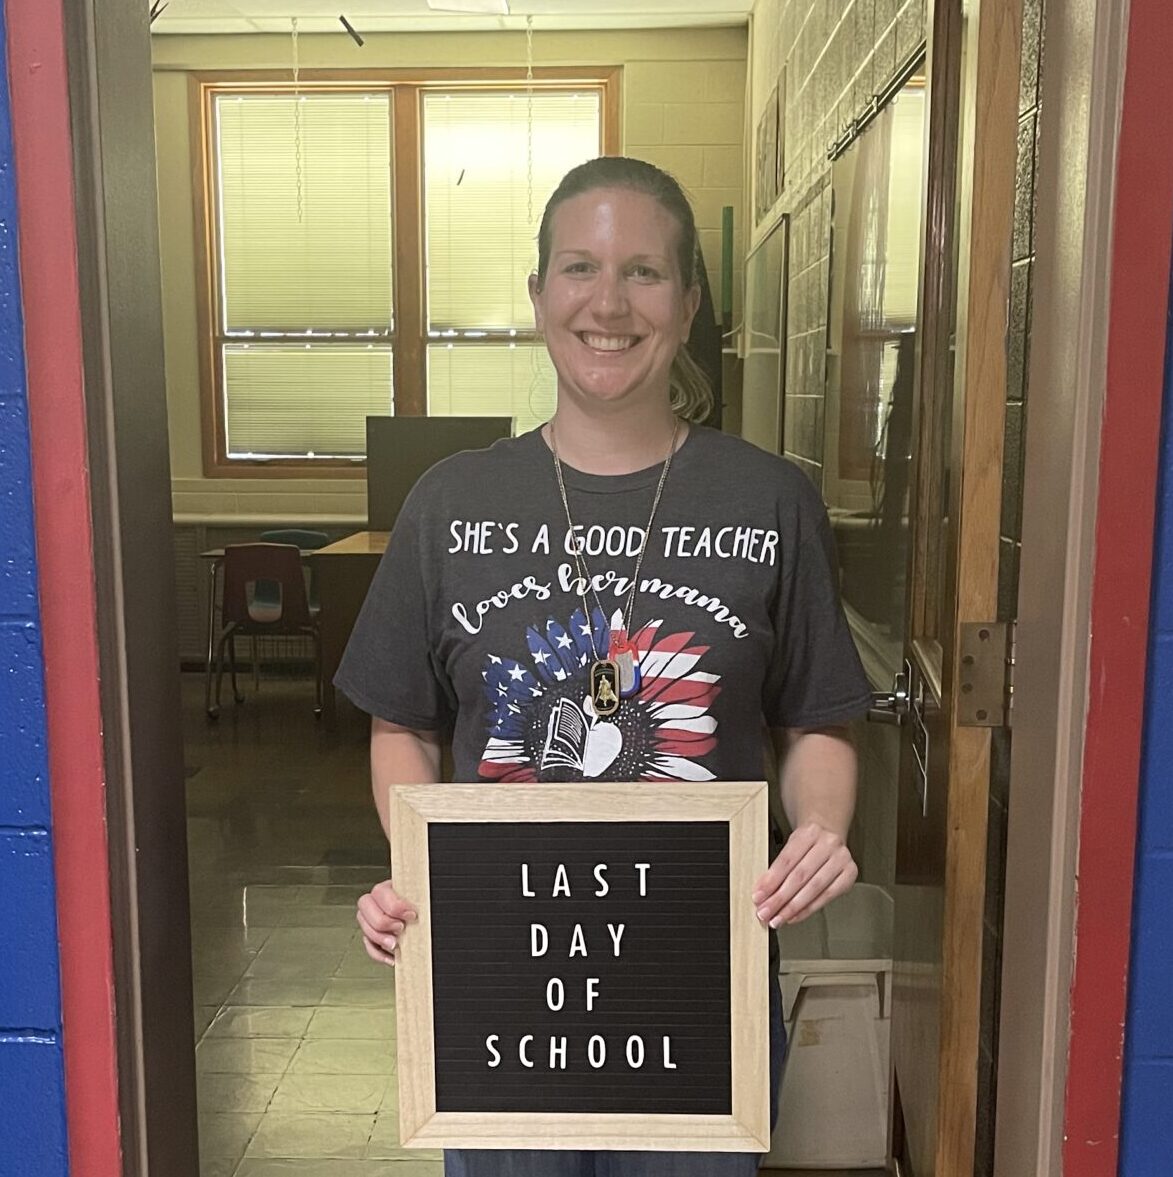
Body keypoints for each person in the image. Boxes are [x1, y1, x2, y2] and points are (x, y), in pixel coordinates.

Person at [337, 155, 873, 1177]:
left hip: (698, 979)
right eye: (580, 267)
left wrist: (823, 829)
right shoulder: (449, 504)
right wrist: (414, 872)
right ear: (540, 294)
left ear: (689, 300)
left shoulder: (769, 501)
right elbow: (401, 719)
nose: (609, 302)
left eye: (645, 272)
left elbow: (815, 721)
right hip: (501, 978)